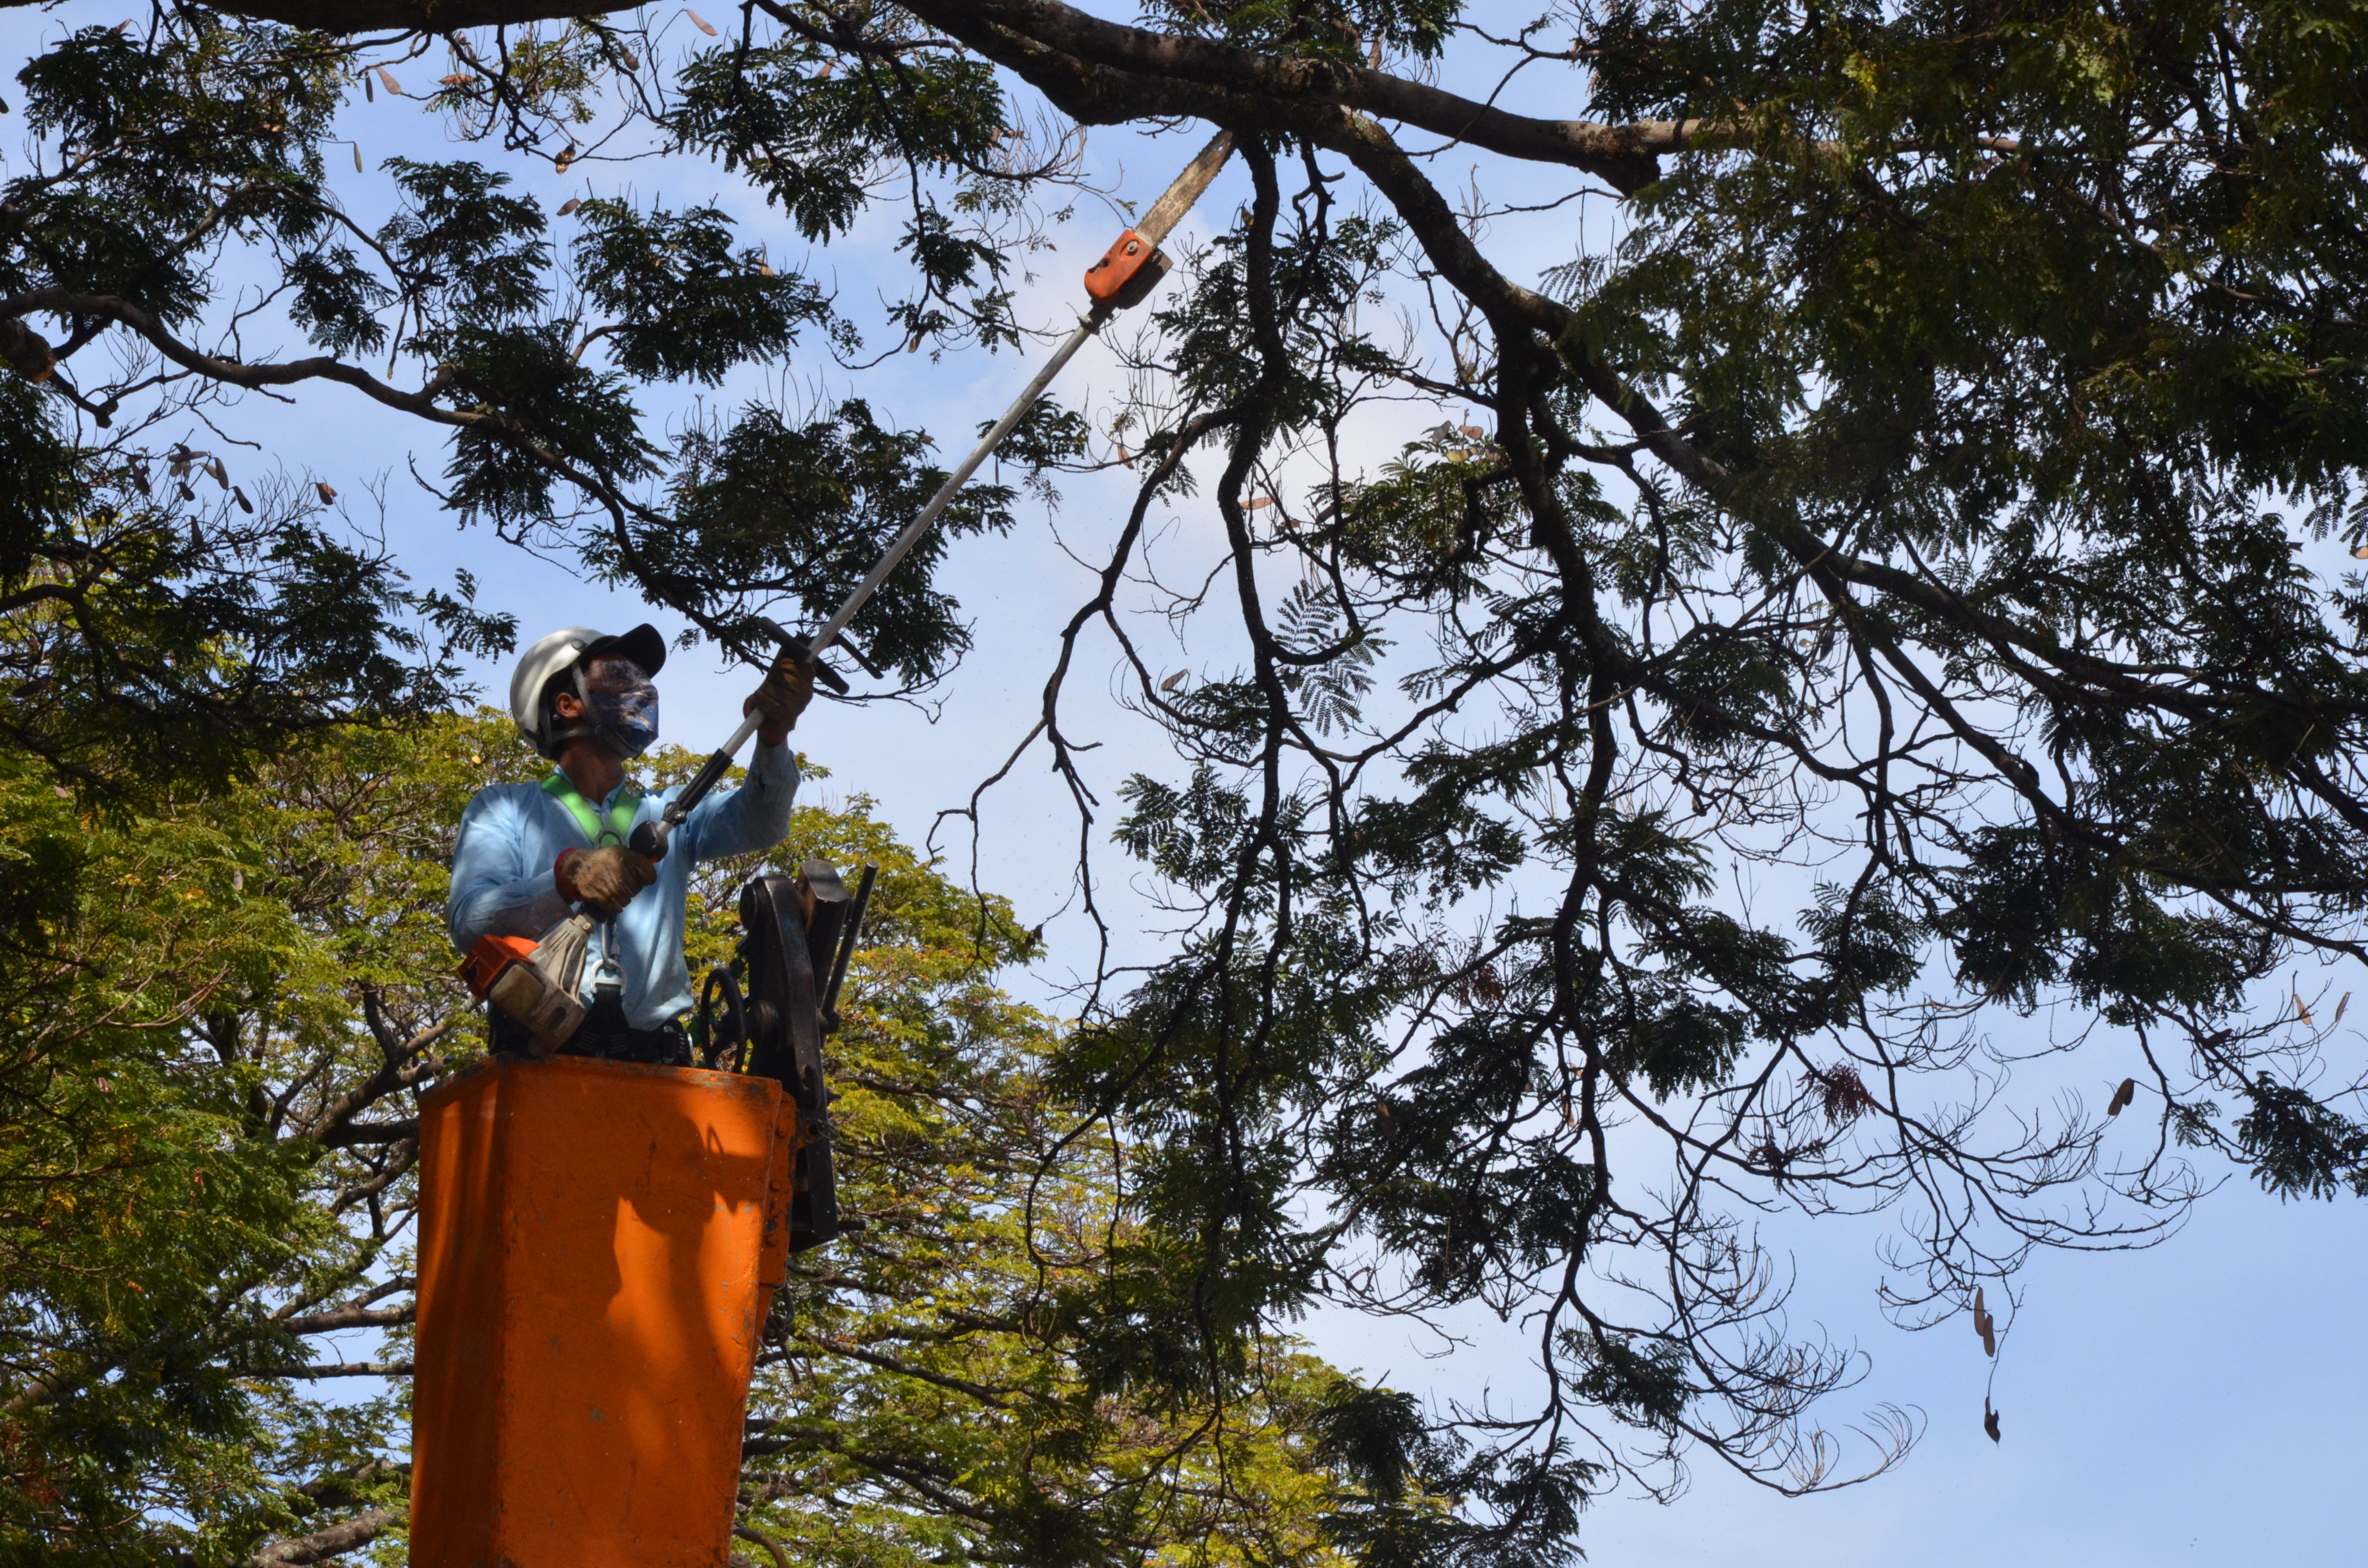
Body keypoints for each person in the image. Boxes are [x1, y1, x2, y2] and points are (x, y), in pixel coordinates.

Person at [447, 623, 815, 1063]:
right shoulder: (505, 807)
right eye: (620, 676)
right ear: (568, 704)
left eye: (642, 680)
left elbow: (762, 820)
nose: (641, 691)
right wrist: (564, 881)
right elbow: (469, 923)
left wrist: (773, 736)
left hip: (656, 1066)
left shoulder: (672, 813)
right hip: (542, 1059)